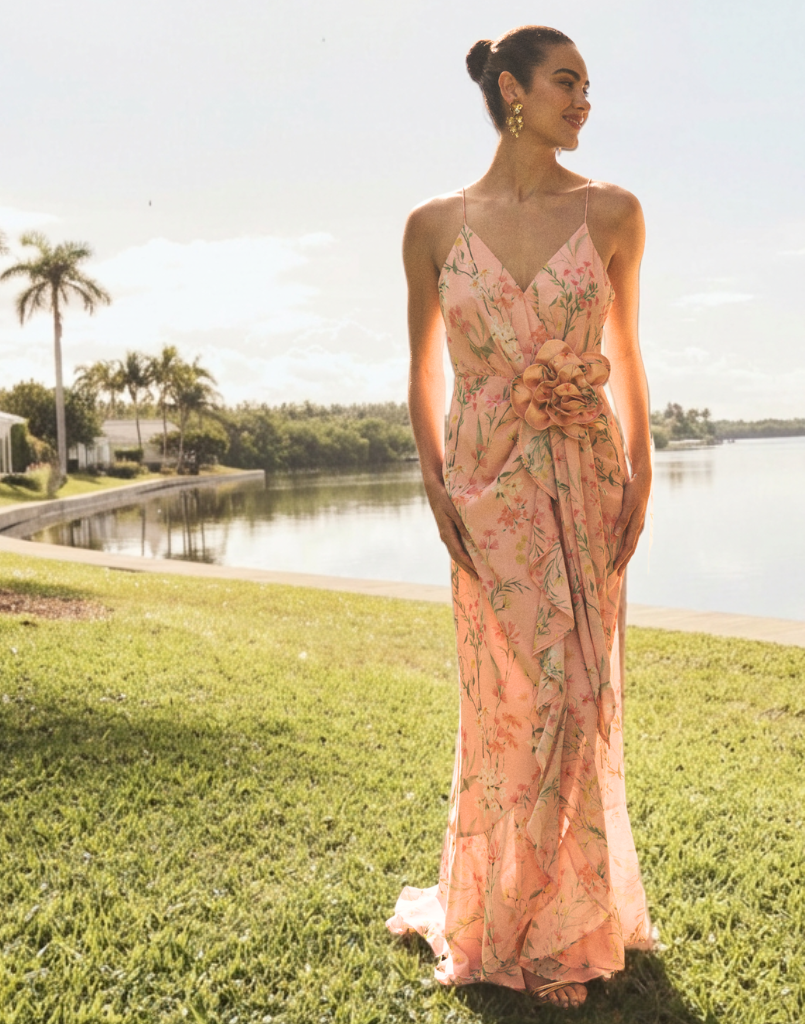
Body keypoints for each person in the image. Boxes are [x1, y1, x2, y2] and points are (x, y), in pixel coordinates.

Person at [385, 25, 655, 1010]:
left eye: (588, 85)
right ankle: (504, 909)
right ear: (511, 91)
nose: (584, 101)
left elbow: (627, 354)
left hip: (586, 466)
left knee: (579, 694)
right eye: (566, 83)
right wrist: (433, 485)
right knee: (508, 698)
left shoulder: (616, 211)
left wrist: (646, 467)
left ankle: (566, 916)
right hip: (485, 479)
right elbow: (418, 372)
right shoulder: (430, 225)